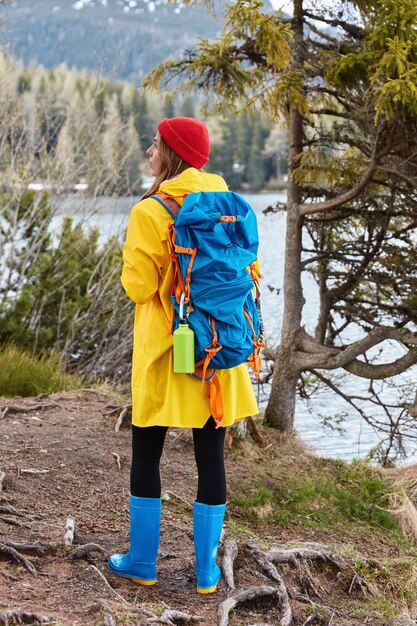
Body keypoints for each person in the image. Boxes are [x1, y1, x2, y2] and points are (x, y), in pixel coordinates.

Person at [108, 117, 259, 594]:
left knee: (146, 450)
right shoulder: (229, 205)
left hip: (168, 349)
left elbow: (140, 287)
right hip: (215, 347)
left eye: (155, 143)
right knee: (210, 454)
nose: (149, 149)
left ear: (171, 153)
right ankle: (208, 572)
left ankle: (142, 562)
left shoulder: (151, 211)